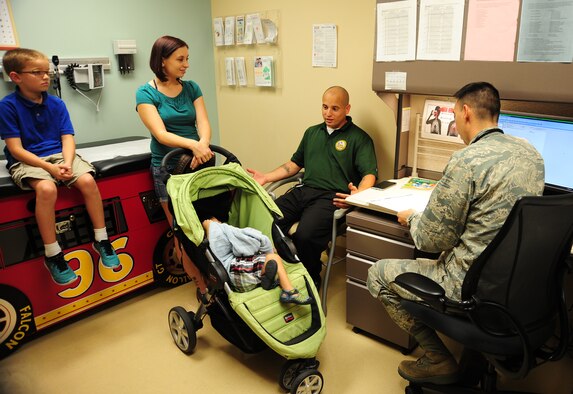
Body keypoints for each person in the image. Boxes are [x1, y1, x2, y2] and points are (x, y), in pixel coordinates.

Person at [366, 82, 544, 385]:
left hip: (467, 286)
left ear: (464, 112)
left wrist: (412, 219)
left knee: (378, 275)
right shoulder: (531, 154)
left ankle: (438, 360)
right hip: (516, 285)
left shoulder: (466, 161)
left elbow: (431, 241)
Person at [0, 48, 120, 285]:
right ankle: (53, 253)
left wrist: (66, 163)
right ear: (16, 77)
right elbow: (16, 149)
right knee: (47, 189)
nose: (46, 77)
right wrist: (51, 170)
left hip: (60, 155)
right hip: (28, 158)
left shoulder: (56, 103)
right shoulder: (8, 106)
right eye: (37, 72)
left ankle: (102, 239)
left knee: (87, 180)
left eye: (48, 72)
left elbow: (67, 139)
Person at [248, 86, 378, 288]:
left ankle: (310, 276)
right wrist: (266, 177)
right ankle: (278, 267)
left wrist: (358, 195)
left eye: (335, 108)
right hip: (304, 191)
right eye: (325, 107)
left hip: (331, 198)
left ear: (347, 108)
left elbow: (369, 175)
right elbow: (293, 165)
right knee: (265, 217)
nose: (328, 113)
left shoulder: (359, 138)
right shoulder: (312, 133)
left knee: (305, 236)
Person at [136, 35, 214, 295]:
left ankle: (217, 276)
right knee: (182, 230)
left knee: (208, 221)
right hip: (167, 168)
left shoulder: (192, 88)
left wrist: (202, 144)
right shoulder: (146, 93)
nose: (186, 64)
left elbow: (202, 122)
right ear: (162, 61)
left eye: (187, 58)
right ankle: (201, 287)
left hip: (198, 162)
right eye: (180, 59)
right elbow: (161, 134)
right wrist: (193, 145)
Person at [201, 217, 312, 305]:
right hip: (234, 272)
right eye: (217, 223)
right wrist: (211, 226)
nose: (221, 224)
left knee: (273, 259)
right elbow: (219, 244)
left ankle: (267, 279)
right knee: (273, 258)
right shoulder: (216, 240)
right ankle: (289, 291)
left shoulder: (227, 234)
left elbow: (241, 246)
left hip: (244, 272)